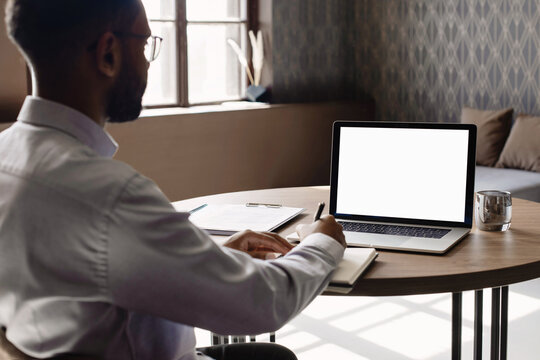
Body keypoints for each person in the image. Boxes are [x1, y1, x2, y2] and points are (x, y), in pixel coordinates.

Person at [0, 0, 346, 359]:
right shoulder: (112, 197)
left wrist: (209, 260)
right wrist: (323, 243)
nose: (149, 62)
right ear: (108, 53)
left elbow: (91, 281)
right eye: (145, 44)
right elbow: (260, 304)